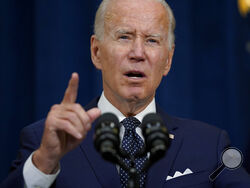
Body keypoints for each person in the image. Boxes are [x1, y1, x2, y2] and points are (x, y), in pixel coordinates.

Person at [1, 0, 250, 187]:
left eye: (152, 40)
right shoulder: (46, 142)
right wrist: (45, 161)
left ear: (168, 60)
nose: (138, 53)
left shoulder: (210, 145)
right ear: (96, 52)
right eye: (124, 37)